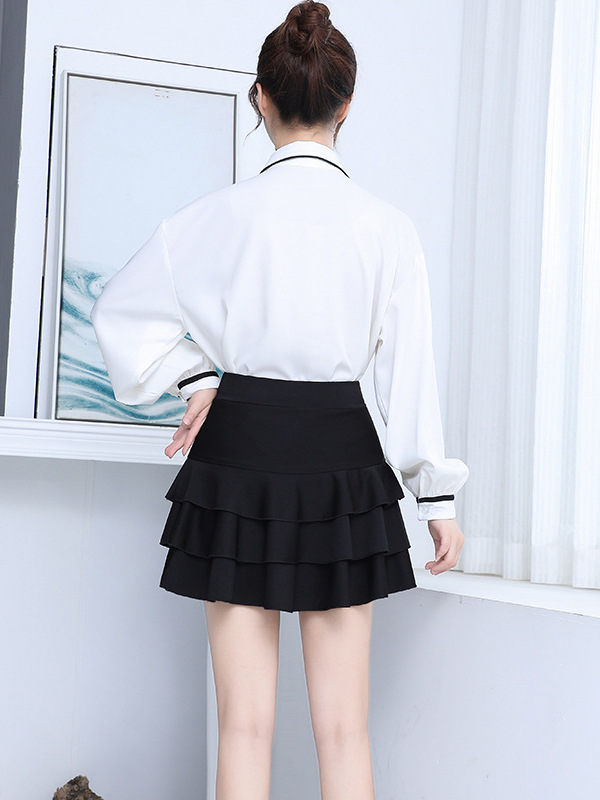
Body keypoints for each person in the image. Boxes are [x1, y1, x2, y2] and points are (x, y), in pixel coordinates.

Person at [90, 2, 469, 798]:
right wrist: (435, 496)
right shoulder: (387, 228)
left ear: (260, 97)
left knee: (243, 727)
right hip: (341, 458)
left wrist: (197, 379)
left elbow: (120, 313)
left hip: (239, 451)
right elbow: (409, 375)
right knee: (344, 731)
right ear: (347, 103)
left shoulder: (214, 218)